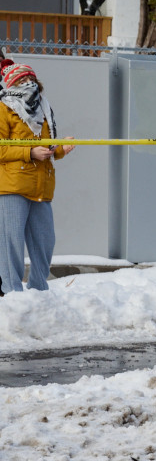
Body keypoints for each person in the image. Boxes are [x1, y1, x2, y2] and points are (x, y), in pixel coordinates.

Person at [0, 62, 69, 293]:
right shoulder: (4, 108)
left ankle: (39, 291)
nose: (28, 84)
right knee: (11, 245)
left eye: (31, 80)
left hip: (42, 186)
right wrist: (29, 152)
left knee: (45, 242)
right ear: (11, 85)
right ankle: (13, 296)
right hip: (12, 187)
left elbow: (46, 146)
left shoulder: (44, 108)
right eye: (21, 81)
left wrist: (59, 149)